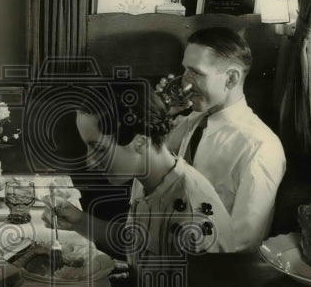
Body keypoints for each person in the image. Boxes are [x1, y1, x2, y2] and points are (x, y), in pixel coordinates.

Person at [43, 81, 237, 264]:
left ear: (141, 142)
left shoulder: (192, 218)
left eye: (99, 148)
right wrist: (79, 220)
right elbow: (136, 240)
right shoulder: (146, 177)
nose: (89, 161)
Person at [160, 26, 286, 251]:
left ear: (231, 79)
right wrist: (161, 113)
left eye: (196, 72)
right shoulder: (191, 120)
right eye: (185, 71)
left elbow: (241, 243)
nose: (184, 82)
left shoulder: (260, 147)